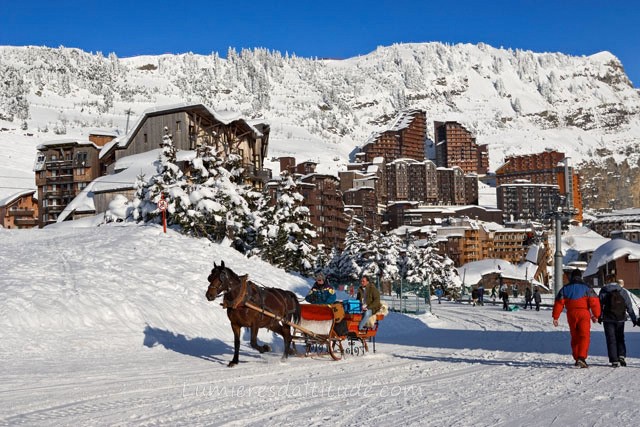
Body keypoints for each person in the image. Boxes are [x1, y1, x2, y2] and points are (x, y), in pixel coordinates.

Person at [552, 269, 601, 368]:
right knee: (584, 336)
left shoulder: (565, 288)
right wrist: (596, 315)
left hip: (571, 314)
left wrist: (555, 317)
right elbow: (594, 302)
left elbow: (559, 302)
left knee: (575, 337)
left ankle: (576, 357)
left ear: (572, 277)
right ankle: (581, 357)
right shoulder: (587, 288)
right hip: (584, 313)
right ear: (580, 277)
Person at [598, 273, 638, 367]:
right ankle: (621, 356)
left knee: (611, 339)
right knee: (620, 337)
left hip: (608, 319)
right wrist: (633, 319)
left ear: (606, 281)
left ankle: (614, 360)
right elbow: (629, 306)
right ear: (615, 280)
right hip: (620, 318)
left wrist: (599, 316)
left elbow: (599, 306)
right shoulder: (622, 291)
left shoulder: (603, 291)